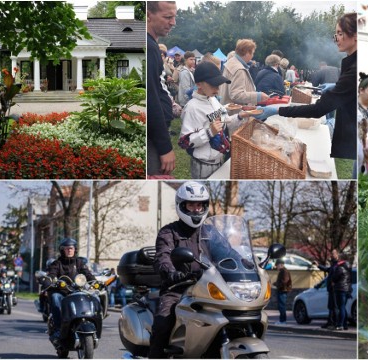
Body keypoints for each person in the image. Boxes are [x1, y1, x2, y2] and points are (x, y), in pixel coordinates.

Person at [255, 13, 358, 164]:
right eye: (335, 35)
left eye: (340, 34)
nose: (336, 39)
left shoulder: (353, 69)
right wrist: (337, 86)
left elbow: (318, 110)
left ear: (355, 35)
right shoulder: (351, 65)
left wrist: (277, 110)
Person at [149, 181, 213, 359]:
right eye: (191, 205)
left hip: (209, 289)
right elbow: (163, 256)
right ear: (182, 206)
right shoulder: (169, 232)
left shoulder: (211, 232)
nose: (196, 209)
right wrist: (172, 273)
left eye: (199, 205)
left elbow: (227, 252)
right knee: (163, 322)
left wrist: (246, 263)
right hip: (178, 289)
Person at [179, 62, 249, 179]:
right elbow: (184, 142)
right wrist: (209, 132)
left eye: (218, 85)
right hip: (203, 165)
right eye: (213, 85)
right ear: (199, 84)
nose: (217, 90)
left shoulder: (213, 100)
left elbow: (225, 122)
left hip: (219, 159)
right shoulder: (192, 108)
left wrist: (240, 116)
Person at [44, 238, 96, 343]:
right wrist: (48, 281)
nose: (69, 251)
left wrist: (95, 282)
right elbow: (51, 274)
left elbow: (88, 274)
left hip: (76, 291)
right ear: (62, 250)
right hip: (61, 292)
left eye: (71, 248)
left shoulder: (79, 262)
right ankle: (58, 328)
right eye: (66, 249)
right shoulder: (57, 263)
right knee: (54, 297)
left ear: (75, 250)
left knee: (93, 296)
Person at [147, 1, 177, 176]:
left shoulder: (152, 46)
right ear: (149, 15)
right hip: (154, 140)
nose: (173, 22)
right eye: (167, 17)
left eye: (174, 17)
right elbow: (152, 100)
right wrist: (165, 147)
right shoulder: (150, 48)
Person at [218, 39, 269, 106]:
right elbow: (236, 95)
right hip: (237, 113)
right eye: (252, 53)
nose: (252, 56)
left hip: (228, 109)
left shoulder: (231, 63)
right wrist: (258, 96)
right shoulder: (239, 69)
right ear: (247, 53)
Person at [314, 249, 340, 329]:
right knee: (330, 306)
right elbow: (327, 269)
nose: (331, 255)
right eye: (331, 254)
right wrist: (318, 265)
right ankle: (330, 322)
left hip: (335, 289)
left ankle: (336, 323)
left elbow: (339, 275)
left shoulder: (338, 264)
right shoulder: (333, 264)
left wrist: (334, 282)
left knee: (335, 307)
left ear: (337, 254)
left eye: (333, 254)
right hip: (331, 289)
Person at [331, 253, 352, 331]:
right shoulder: (348, 267)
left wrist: (334, 270)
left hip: (340, 289)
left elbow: (334, 277)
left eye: (338, 258)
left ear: (341, 259)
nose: (337, 259)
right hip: (346, 289)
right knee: (343, 307)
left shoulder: (340, 268)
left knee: (341, 307)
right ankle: (345, 324)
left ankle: (340, 325)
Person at [274, 259, 292, 325]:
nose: (276, 267)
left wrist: (277, 284)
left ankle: (283, 320)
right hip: (281, 290)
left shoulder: (284, 271)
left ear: (281, 265)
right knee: (281, 306)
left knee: (282, 306)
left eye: (277, 265)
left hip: (282, 290)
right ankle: (281, 320)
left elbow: (284, 281)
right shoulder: (282, 271)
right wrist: (275, 283)